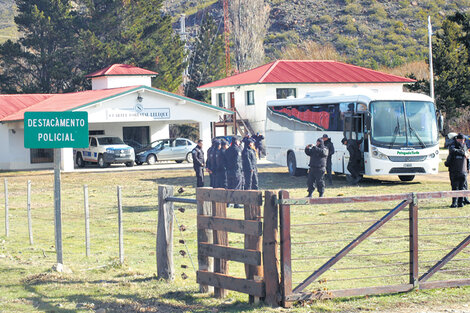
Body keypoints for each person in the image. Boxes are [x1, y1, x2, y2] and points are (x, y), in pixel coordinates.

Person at [445, 133, 469, 208]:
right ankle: (458, 203)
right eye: (461, 139)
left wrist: (468, 168)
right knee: (459, 187)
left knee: (457, 187)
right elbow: (466, 156)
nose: (462, 141)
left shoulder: (457, 147)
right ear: (457, 139)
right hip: (460, 171)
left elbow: (467, 158)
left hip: (458, 171)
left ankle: (457, 203)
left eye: (463, 139)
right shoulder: (461, 147)